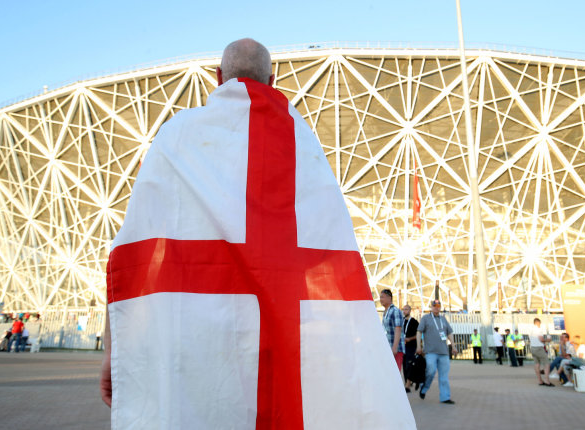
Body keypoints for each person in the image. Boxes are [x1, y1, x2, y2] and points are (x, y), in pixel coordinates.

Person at [100, 38, 416, 428]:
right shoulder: (302, 143)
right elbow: (333, 257)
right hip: (282, 339)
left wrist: (116, 349)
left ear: (217, 78)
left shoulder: (176, 137)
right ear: (273, 78)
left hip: (201, 338)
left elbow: (134, 254)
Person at [416, 299, 457, 404]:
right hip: (430, 351)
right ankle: (424, 387)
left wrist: (453, 346)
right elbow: (419, 332)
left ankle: (445, 397)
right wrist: (418, 346)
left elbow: (449, 333)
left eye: (438, 306)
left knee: (444, 376)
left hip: (443, 352)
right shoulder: (426, 318)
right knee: (430, 371)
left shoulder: (443, 319)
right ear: (431, 307)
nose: (436, 308)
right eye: (434, 306)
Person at [380, 289, 405, 373]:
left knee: (395, 373)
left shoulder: (395, 311)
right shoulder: (386, 312)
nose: (380, 299)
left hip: (395, 349)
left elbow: (398, 329)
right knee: (388, 372)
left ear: (389, 298)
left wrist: (394, 347)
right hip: (388, 348)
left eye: (382, 297)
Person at [530, 318, 553, 386]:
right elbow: (541, 339)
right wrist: (548, 339)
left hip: (532, 348)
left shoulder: (530, 329)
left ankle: (540, 381)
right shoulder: (538, 329)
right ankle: (547, 381)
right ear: (538, 323)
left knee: (537, 364)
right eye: (540, 324)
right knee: (547, 363)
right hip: (539, 348)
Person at [402, 304, 419, 392]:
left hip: (411, 346)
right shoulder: (401, 321)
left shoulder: (414, 322)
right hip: (403, 346)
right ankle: (406, 382)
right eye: (403, 309)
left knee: (409, 365)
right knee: (404, 365)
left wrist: (409, 339)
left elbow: (418, 335)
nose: (404, 311)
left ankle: (408, 385)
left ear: (410, 311)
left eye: (406, 309)